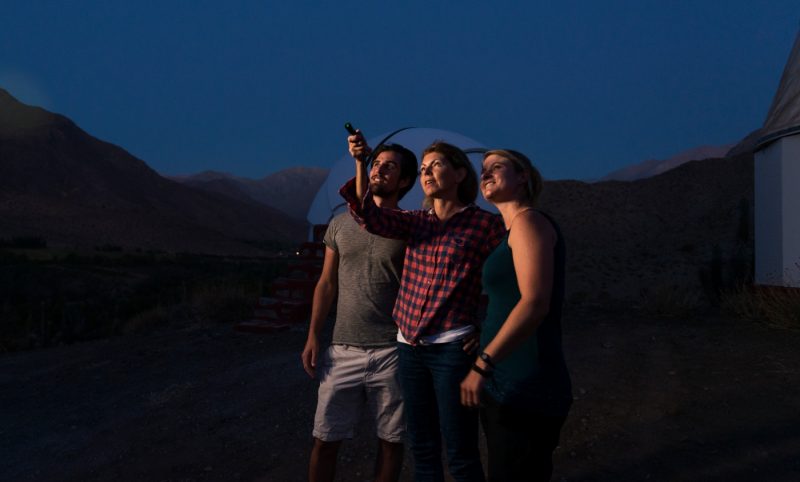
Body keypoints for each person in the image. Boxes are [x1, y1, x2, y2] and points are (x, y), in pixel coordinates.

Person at [341, 134, 506, 482]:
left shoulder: (485, 225)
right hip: (409, 348)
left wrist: (484, 330)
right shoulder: (416, 221)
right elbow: (368, 215)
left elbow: (506, 284)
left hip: (452, 350)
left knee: (460, 449)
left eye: (437, 165)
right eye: (423, 169)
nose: (427, 173)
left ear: (460, 174)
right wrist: (360, 161)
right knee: (422, 447)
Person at [301, 142, 418, 482]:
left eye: (390, 166)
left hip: (392, 350)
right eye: (376, 163)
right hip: (342, 349)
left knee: (391, 442)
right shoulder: (340, 224)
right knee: (324, 440)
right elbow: (326, 284)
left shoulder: (408, 227)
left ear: (405, 181)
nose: (379, 169)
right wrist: (313, 335)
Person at [460, 149, 572, 482]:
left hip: (527, 384)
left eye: (497, 167)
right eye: (483, 170)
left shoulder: (528, 221)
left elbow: (535, 303)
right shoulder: (510, 232)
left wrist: (483, 362)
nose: (485, 174)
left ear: (522, 176)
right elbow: (509, 300)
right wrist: (487, 336)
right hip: (506, 379)